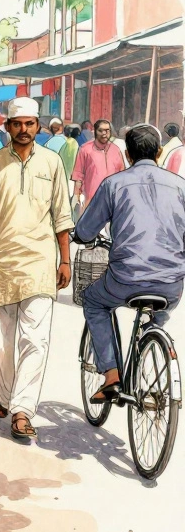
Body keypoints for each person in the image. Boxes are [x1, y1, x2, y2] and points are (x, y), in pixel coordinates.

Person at [0, 97, 73, 442]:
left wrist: (65, 258)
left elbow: (61, 214)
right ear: (7, 127)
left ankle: (23, 409)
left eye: (30, 124)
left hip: (40, 263)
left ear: (38, 127)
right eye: (17, 124)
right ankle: (6, 397)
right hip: (0, 263)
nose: (24, 130)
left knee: (35, 340)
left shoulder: (53, 162)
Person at [74, 125, 185, 402]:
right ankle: (153, 336)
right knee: (159, 312)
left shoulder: (113, 184)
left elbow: (86, 231)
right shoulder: (181, 186)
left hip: (125, 279)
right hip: (171, 283)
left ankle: (111, 374)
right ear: (159, 152)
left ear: (127, 154)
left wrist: (78, 235)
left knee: (94, 301)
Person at [71, 119, 125, 220]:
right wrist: (76, 195)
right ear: (95, 131)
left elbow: (122, 174)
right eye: (101, 130)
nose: (104, 133)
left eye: (107, 130)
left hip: (111, 202)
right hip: (91, 201)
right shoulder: (85, 149)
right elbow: (78, 175)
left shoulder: (115, 150)